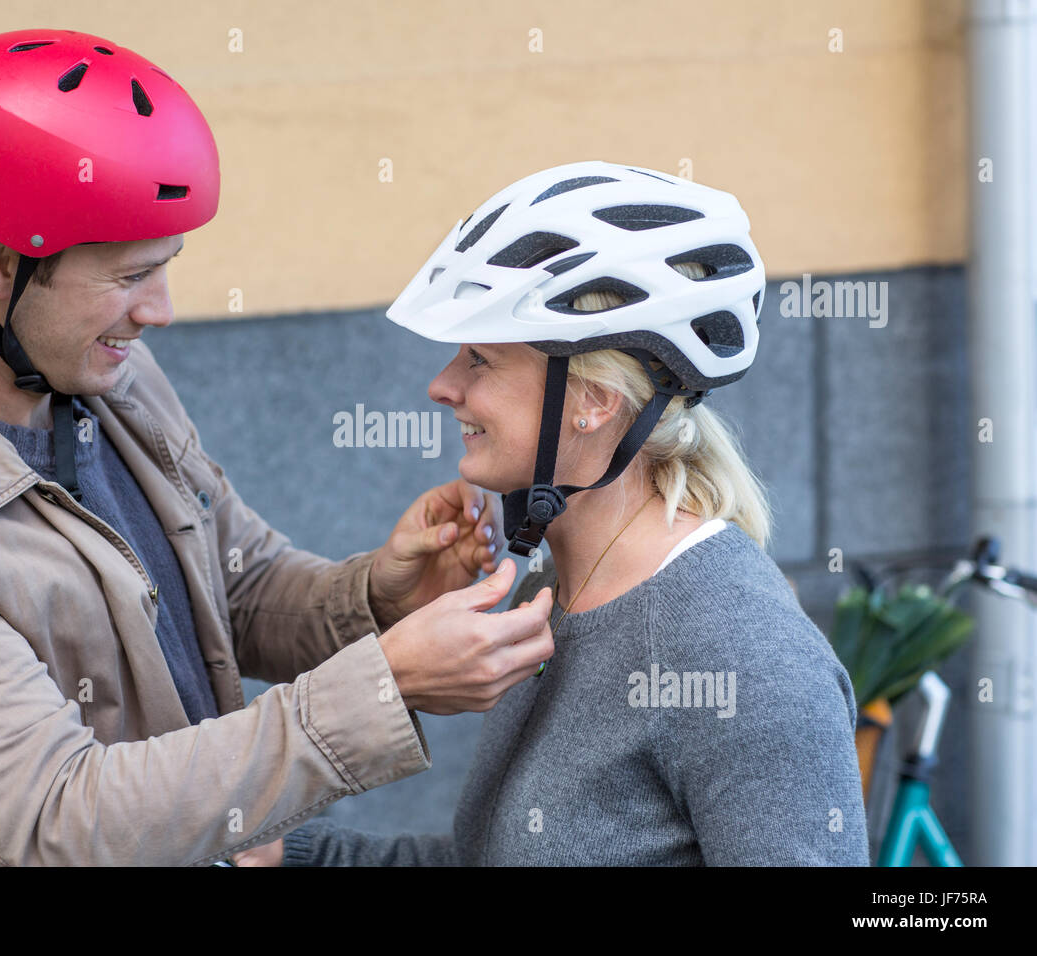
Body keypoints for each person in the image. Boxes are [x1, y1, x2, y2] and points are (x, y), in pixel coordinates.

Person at [0, 28, 556, 866]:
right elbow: (60, 823)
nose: (161, 310)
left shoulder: (109, 377)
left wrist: (376, 597)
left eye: (167, 265)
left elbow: (239, 589)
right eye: (126, 277)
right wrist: (385, 686)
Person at [254, 161, 870, 866]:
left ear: (593, 402)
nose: (441, 386)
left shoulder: (743, 656)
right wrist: (293, 856)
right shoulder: (551, 591)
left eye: (480, 359)